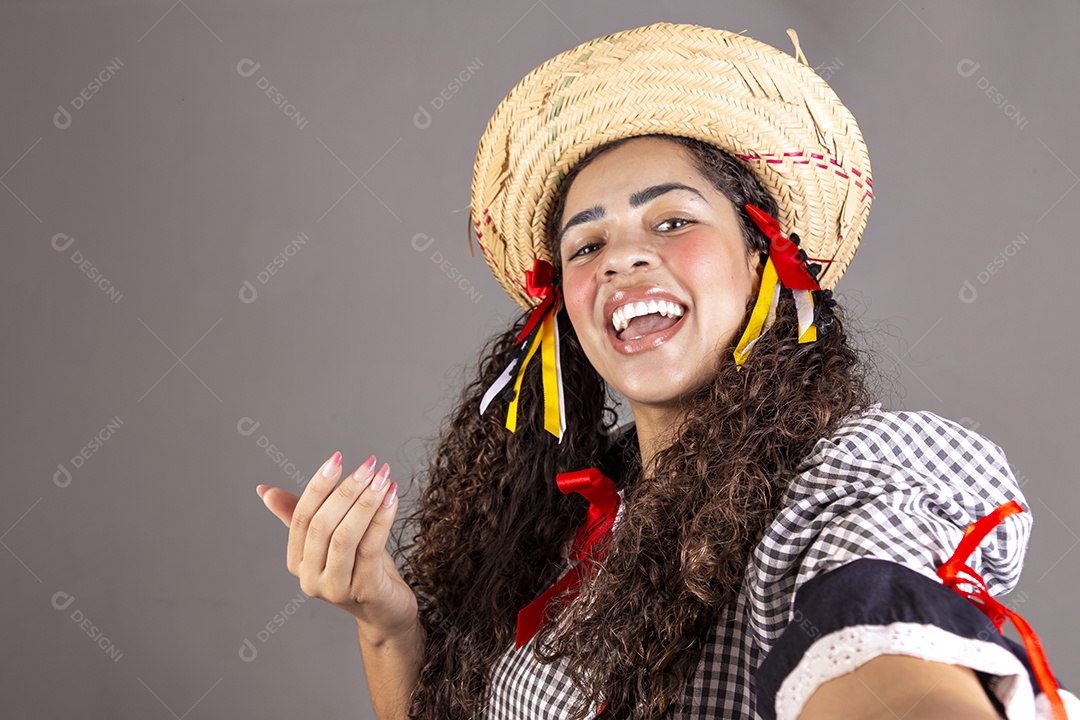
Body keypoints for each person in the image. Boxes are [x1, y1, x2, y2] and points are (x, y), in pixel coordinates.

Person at [255, 22, 1076, 720]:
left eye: (672, 220)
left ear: (762, 258)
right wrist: (386, 623)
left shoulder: (844, 479)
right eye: (587, 244)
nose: (623, 258)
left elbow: (881, 646)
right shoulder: (554, 521)